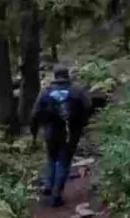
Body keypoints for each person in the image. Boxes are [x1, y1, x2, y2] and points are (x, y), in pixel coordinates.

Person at [30, 65, 92, 207]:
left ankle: (49, 185)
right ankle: (56, 194)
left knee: (52, 157)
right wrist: (82, 122)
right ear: (67, 75)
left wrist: (34, 132)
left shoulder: (45, 92)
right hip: (71, 131)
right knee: (64, 160)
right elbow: (88, 106)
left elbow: (35, 113)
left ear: (55, 76)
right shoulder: (77, 90)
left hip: (51, 131)